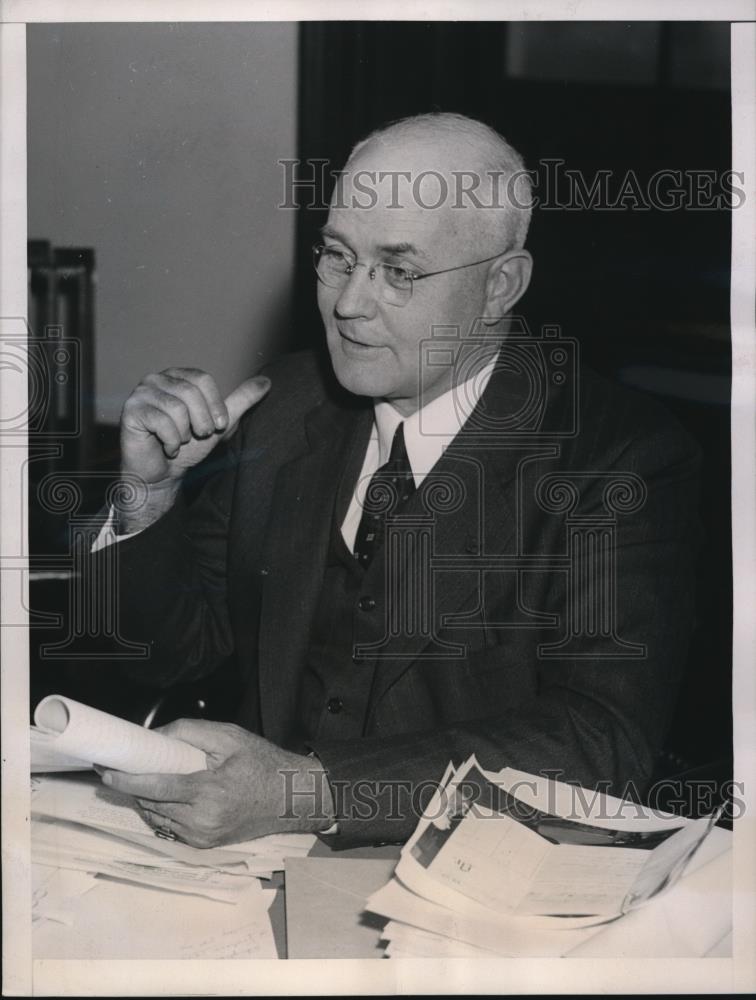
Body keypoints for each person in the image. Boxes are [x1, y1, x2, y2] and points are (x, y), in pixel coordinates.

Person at [90, 113, 701, 849]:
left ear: (500, 286)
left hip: (485, 897)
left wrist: (307, 792)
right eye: (337, 256)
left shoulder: (620, 458)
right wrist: (149, 497)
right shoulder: (283, 409)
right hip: (251, 872)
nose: (349, 302)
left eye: (399, 271)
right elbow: (168, 657)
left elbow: (602, 742)